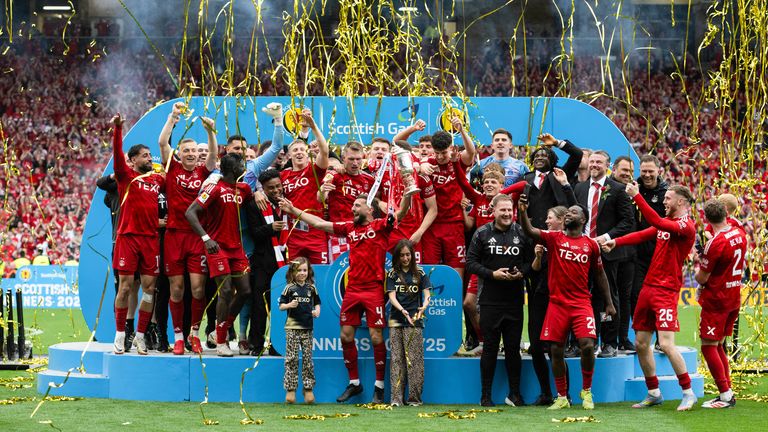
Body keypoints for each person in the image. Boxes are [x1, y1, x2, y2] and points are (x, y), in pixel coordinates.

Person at [279, 191, 411, 404]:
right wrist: (293, 210)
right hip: (352, 290)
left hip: (373, 289)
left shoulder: (380, 225)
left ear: (369, 209)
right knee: (346, 336)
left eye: (357, 206)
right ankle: (355, 384)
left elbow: (403, 212)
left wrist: (408, 190)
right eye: (352, 207)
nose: (353, 209)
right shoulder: (350, 228)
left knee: (376, 337)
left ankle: (379, 387)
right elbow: (321, 224)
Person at [602, 183, 697, 411]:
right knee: (641, 343)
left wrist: (637, 197)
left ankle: (688, 392)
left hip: (666, 291)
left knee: (665, 344)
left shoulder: (685, 225)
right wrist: (617, 242)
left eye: (668, 198)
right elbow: (645, 234)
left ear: (681, 202)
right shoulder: (667, 224)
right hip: (649, 287)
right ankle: (653, 392)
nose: (664, 201)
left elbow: (655, 222)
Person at [518, 196, 616, 410]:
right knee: (556, 349)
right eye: (568, 212)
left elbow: (600, 275)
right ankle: (562, 396)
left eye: (573, 212)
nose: (569, 214)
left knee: (587, 345)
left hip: (582, 303)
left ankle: (587, 392)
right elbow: (530, 231)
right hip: (557, 303)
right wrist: (523, 212)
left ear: (583, 220)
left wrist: (609, 302)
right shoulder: (554, 238)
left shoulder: (592, 245)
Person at [157, 102, 218, 355]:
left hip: (197, 238)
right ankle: (178, 336)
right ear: (179, 154)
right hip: (173, 237)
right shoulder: (172, 168)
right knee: (177, 289)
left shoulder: (204, 172)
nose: (191, 153)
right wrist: (173, 118)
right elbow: (162, 143)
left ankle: (195, 333)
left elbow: (213, 156)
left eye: (194, 150)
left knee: (198, 289)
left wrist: (211, 132)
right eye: (187, 150)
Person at [185, 153, 258, 356]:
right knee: (225, 291)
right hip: (218, 248)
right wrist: (206, 238)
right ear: (231, 168)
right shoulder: (214, 188)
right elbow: (190, 212)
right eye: (240, 164)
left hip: (237, 248)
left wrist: (258, 193)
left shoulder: (243, 189)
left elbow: (253, 197)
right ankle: (220, 342)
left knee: (245, 291)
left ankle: (221, 328)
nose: (243, 166)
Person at [466, 194, 531, 407]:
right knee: (490, 349)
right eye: (502, 210)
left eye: (509, 210)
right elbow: (470, 263)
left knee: (513, 349)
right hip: (489, 301)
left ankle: (515, 394)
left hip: (514, 302)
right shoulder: (482, 233)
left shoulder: (521, 232)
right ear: (493, 211)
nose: (506, 214)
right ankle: (485, 395)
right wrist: (492, 274)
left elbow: (531, 262)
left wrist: (521, 272)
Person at [110, 113, 165, 355]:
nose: (149, 158)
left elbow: (171, 167)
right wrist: (118, 130)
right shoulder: (125, 176)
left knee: (149, 289)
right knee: (124, 288)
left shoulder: (156, 180)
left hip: (150, 240)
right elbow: (116, 155)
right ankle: (120, 334)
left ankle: (140, 336)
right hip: (128, 238)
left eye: (150, 155)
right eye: (145, 155)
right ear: (132, 160)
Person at [574, 150, 634, 358]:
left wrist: (607, 236)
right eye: (592, 162)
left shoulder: (618, 189)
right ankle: (587, 339)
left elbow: (628, 222)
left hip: (607, 253)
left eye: (599, 162)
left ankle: (610, 342)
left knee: (607, 297)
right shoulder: (580, 188)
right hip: (582, 253)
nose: (594, 165)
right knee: (583, 298)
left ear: (607, 165)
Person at [694, 199, 746, 409]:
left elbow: (702, 278)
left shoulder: (716, 243)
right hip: (733, 296)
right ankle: (728, 390)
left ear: (707, 218)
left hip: (717, 300)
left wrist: (700, 260)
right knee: (719, 345)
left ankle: (725, 395)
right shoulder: (739, 232)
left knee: (708, 347)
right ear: (727, 213)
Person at [420, 117, 476, 281]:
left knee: (456, 272)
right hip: (432, 225)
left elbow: (471, 152)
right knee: (430, 272)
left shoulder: (457, 161)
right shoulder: (428, 162)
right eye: (436, 153)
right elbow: (415, 163)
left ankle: (455, 306)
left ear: (451, 148)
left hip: (454, 224)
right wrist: (421, 166)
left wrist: (462, 131)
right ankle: (430, 306)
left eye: (443, 152)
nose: (439, 157)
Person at [527, 205, 567, 406]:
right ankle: (545, 393)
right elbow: (533, 270)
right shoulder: (542, 240)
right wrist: (538, 256)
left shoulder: (570, 242)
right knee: (535, 348)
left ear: (562, 220)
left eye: (550, 218)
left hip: (560, 300)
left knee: (555, 349)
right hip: (539, 297)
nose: (547, 221)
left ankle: (563, 394)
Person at [245, 168, 288, 356]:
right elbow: (254, 233)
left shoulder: (288, 203)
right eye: (271, 188)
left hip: (288, 260)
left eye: (278, 186)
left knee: (283, 303)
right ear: (263, 188)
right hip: (264, 260)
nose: (276, 190)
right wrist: (270, 228)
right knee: (260, 303)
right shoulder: (256, 205)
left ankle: (278, 344)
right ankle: (256, 344)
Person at [279, 109, 330, 264]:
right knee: (294, 277)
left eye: (302, 149)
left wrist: (313, 127)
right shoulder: (282, 176)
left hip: (317, 233)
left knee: (320, 277)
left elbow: (325, 151)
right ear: (289, 155)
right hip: (294, 235)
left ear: (307, 153)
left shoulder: (314, 170)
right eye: (295, 150)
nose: (299, 152)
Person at [387, 239, 432, 407]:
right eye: (402, 255)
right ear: (397, 257)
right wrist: (402, 310)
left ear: (412, 255)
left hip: (414, 321)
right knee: (397, 359)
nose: (405, 258)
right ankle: (396, 399)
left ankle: (414, 399)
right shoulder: (392, 274)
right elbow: (391, 297)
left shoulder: (420, 273)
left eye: (408, 255)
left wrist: (424, 306)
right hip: (396, 320)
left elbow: (427, 295)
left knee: (414, 360)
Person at [320, 141, 374, 261]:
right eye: (351, 159)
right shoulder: (333, 174)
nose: (355, 163)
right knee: (339, 273)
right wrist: (323, 190)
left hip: (361, 234)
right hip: (339, 235)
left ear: (363, 158)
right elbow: (320, 198)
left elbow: (374, 204)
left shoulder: (369, 179)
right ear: (343, 158)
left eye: (358, 159)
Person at [278, 257, 321, 404]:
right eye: (299, 270)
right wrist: (290, 304)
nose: (302, 273)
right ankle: (290, 389)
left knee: (308, 359)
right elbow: (281, 306)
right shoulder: (289, 288)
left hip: (307, 328)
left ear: (308, 271)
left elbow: (318, 303)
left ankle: (308, 389)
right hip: (292, 328)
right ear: (293, 271)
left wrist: (317, 311)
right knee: (292, 358)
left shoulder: (312, 288)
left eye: (305, 270)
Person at [609, 156, 638, 351]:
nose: (626, 174)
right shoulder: (606, 188)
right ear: (614, 169)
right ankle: (608, 339)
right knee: (610, 296)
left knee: (626, 297)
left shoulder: (636, 191)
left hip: (630, 252)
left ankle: (623, 338)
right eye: (623, 170)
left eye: (630, 171)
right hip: (610, 249)